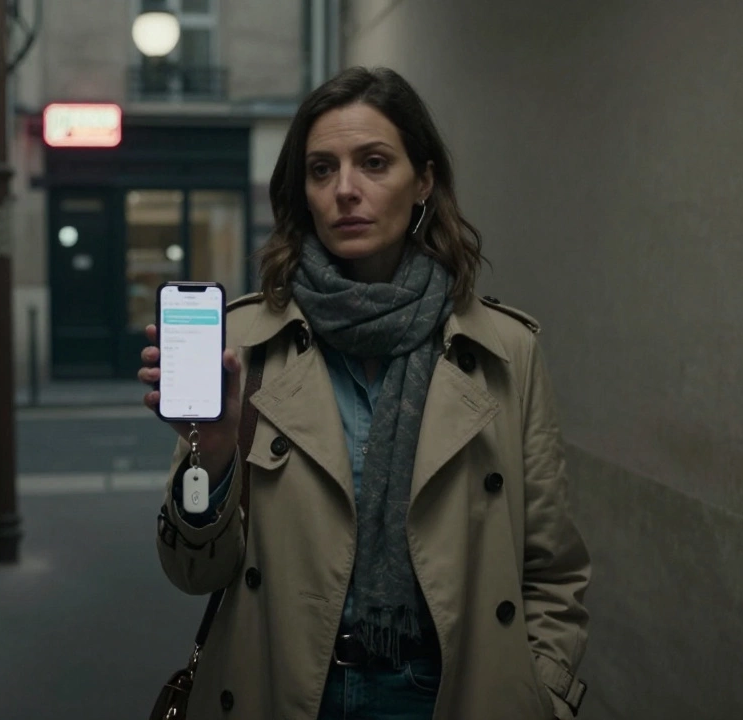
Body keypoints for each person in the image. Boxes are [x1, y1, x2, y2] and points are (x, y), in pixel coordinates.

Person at [140, 66, 591, 720]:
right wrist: (210, 454)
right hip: (289, 692)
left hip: (447, 695)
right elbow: (192, 574)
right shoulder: (243, 342)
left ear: (424, 182)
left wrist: (538, 694)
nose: (345, 190)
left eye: (374, 163)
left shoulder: (503, 351)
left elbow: (552, 569)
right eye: (322, 170)